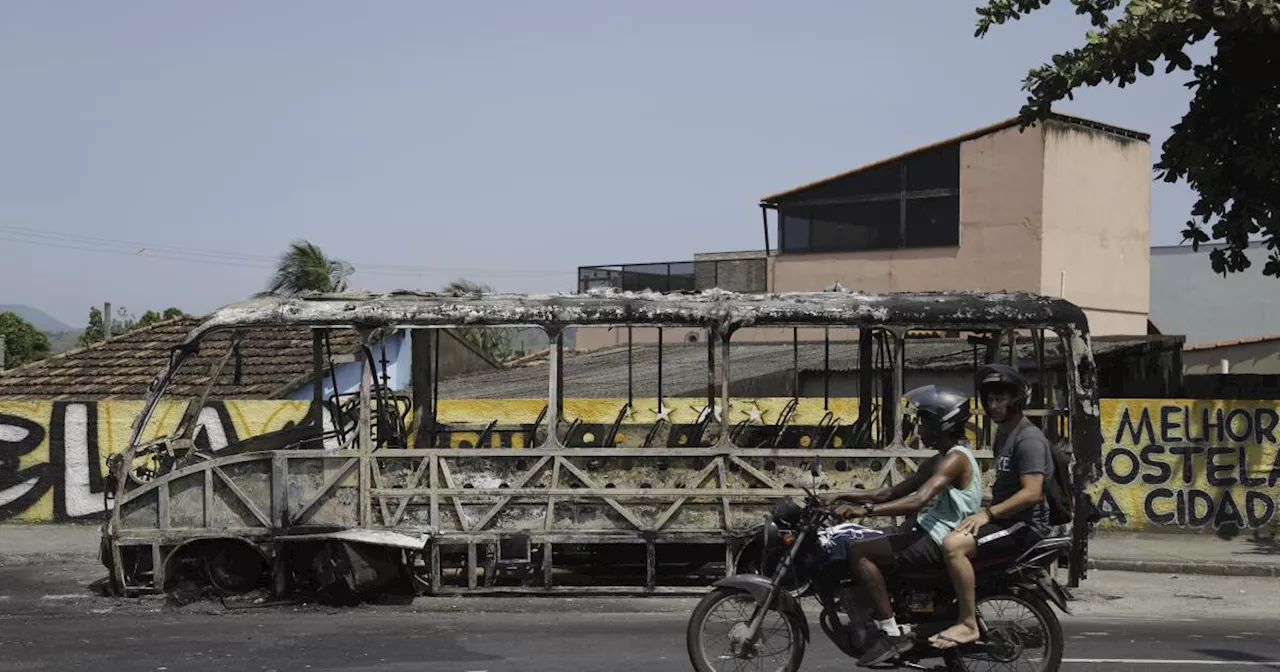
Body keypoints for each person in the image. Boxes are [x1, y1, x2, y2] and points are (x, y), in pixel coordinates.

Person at [819, 384, 983, 667]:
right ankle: (887, 611)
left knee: (860, 551)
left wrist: (864, 510)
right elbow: (889, 493)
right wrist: (839, 493)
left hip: (940, 538)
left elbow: (918, 500)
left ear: (942, 422)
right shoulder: (941, 458)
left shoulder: (955, 459)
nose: (919, 427)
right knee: (864, 541)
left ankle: (890, 630)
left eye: (924, 420)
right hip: (926, 531)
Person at [928, 363, 1055, 651]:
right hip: (1007, 519)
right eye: (989, 400)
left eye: (1001, 399)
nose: (994, 406)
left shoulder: (1028, 438)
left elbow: (1032, 493)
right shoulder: (1004, 434)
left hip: (1025, 524)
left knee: (953, 545)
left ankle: (969, 624)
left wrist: (986, 514)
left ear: (1017, 400)